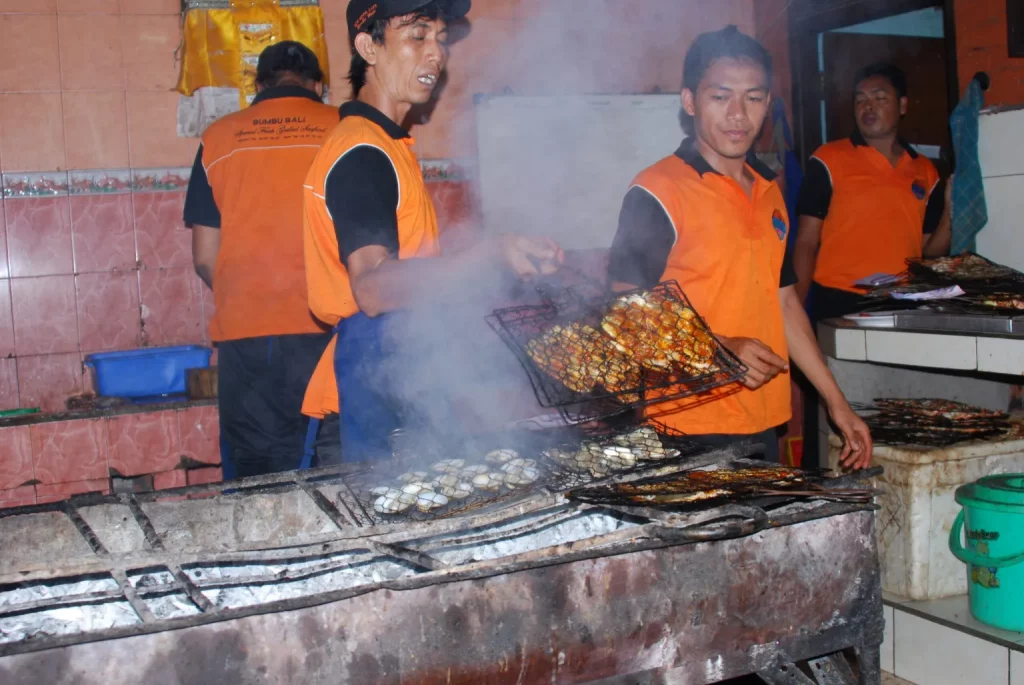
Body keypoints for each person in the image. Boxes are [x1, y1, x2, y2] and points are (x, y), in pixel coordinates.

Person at [300, 0, 563, 461]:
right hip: (370, 388)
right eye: (417, 36)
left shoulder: (389, 144)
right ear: (369, 47)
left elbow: (419, 279)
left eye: (441, 39)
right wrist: (486, 255)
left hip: (399, 376)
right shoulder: (362, 153)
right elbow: (374, 289)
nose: (436, 54)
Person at [607, 26, 872, 469]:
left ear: (767, 104)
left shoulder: (770, 193)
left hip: (764, 418)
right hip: (685, 425)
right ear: (690, 101)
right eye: (720, 97)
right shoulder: (657, 190)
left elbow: (784, 301)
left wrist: (836, 402)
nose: (738, 114)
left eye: (753, 98)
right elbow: (625, 309)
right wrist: (717, 348)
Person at [183, 41, 339, 477]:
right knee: (336, 466)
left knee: (259, 475)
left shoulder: (218, 137)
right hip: (331, 328)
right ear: (317, 85)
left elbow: (203, 256)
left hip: (248, 334)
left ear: (258, 84)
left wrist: (250, 297)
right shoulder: (345, 127)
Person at [794, 63, 953, 322]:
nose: (868, 106)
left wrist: (949, 211)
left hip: (903, 303)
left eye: (879, 98)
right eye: (860, 100)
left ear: (902, 106)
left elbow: (930, 253)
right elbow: (805, 242)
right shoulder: (828, 159)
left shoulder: (926, 171)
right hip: (840, 300)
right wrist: (795, 314)